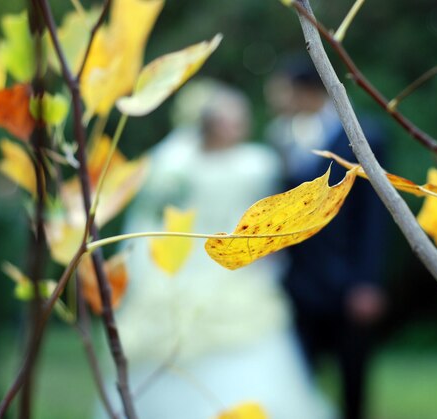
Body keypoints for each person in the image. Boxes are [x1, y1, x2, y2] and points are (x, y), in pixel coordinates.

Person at [106, 81, 332, 418]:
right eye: (229, 119)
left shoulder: (257, 163)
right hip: (183, 265)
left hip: (236, 270)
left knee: (248, 348)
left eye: (240, 119)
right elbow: (153, 221)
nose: (238, 126)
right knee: (170, 349)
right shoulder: (175, 165)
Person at [265, 60, 388, 419]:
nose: (277, 100)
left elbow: (374, 216)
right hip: (298, 280)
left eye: (283, 91)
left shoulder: (365, 135)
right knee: (299, 376)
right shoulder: (281, 135)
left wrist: (367, 281)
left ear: (305, 91)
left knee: (353, 375)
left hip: (348, 279)